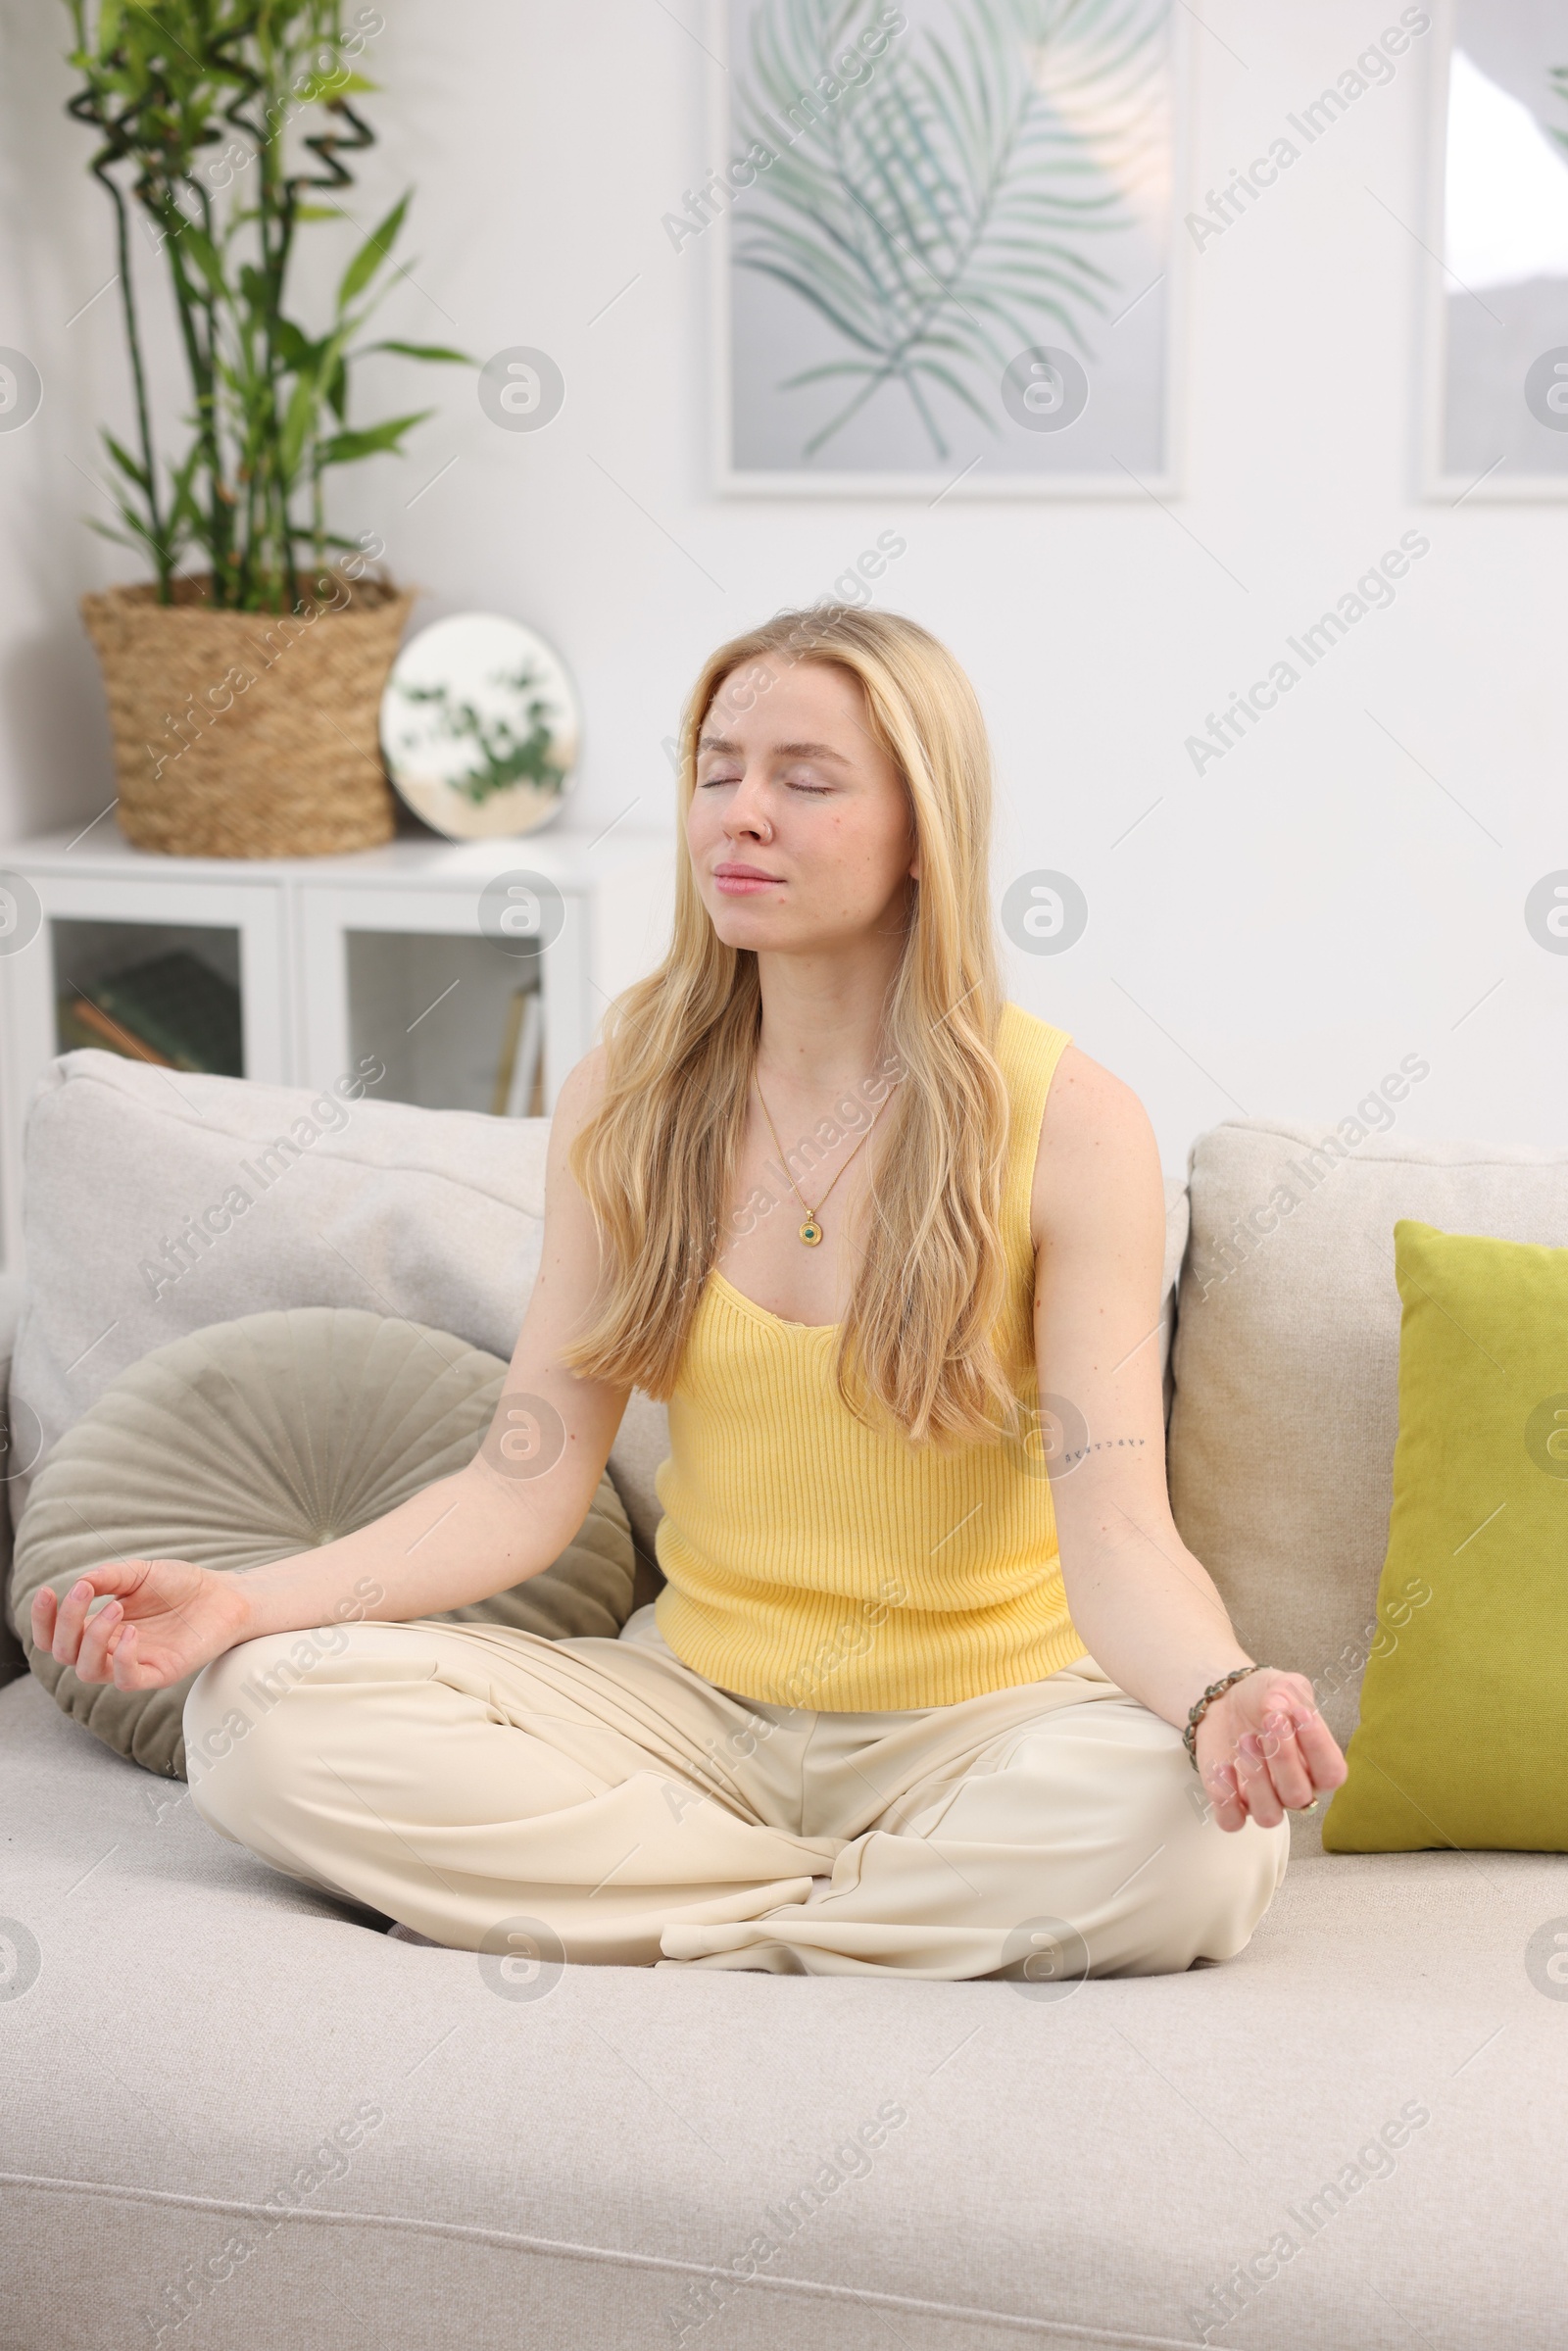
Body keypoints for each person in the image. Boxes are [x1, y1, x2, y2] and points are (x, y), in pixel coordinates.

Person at [33, 608, 1345, 1983]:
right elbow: (519, 1486)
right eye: (717, 771)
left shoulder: (1071, 1122)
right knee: (255, 1719)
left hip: (989, 1724)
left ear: (922, 827)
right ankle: (848, 1920)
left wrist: (1216, 1692)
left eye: (806, 779)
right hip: (689, 1714)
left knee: (1205, 1845)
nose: (743, 814)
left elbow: (1122, 1532)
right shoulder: (630, 1092)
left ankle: (710, 1923)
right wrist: (249, 1605)